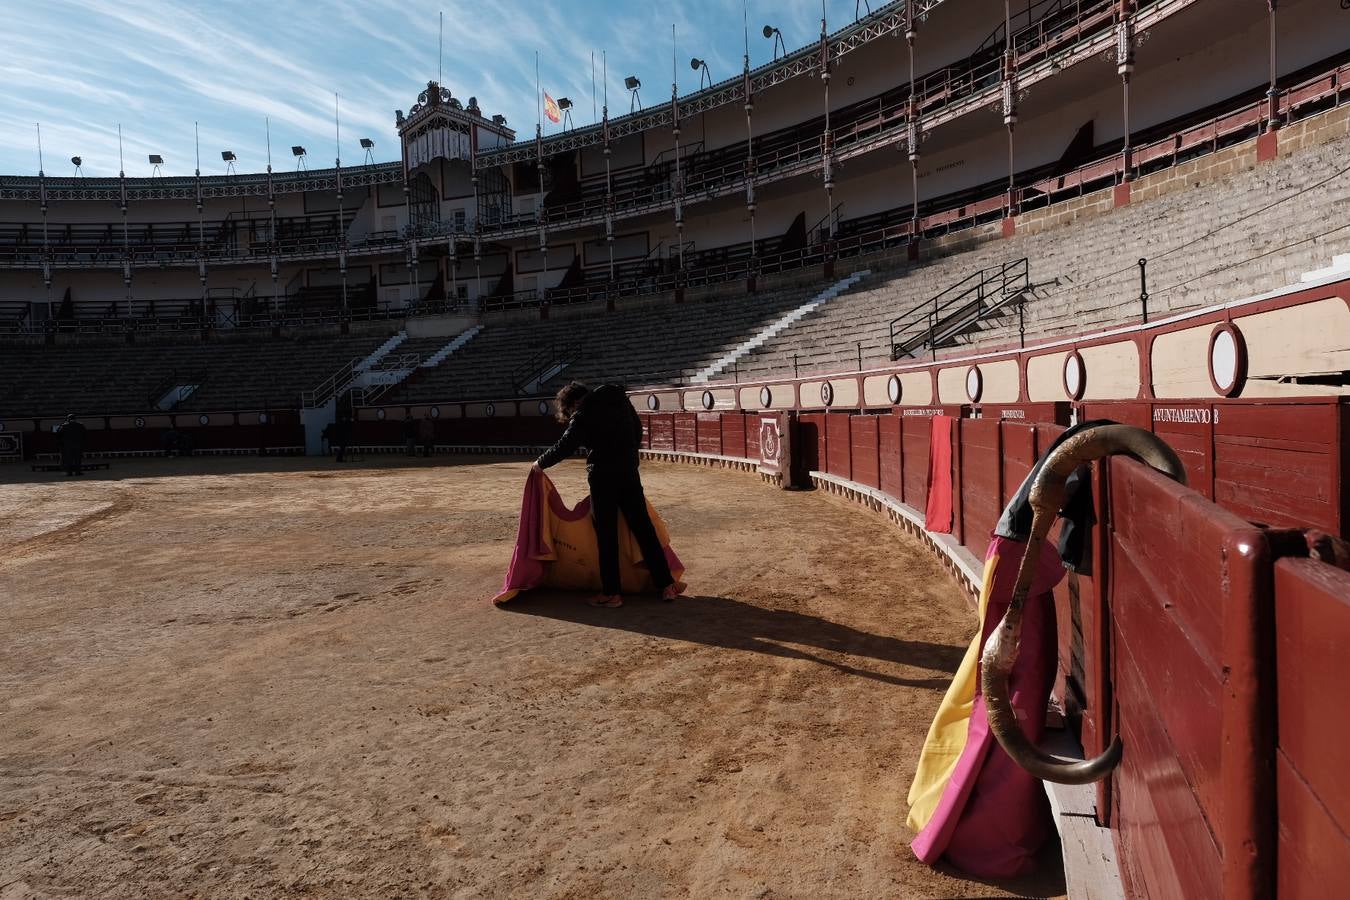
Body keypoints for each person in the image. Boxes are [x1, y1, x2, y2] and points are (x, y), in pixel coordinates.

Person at [533, 382, 681, 608]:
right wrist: (628, 457)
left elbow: (566, 446)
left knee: (607, 535)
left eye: (570, 409)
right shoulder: (620, 401)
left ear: (574, 403)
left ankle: (612, 593)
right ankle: (666, 585)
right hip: (628, 472)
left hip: (603, 478)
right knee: (643, 528)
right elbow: (637, 430)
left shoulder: (583, 414)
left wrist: (540, 463)